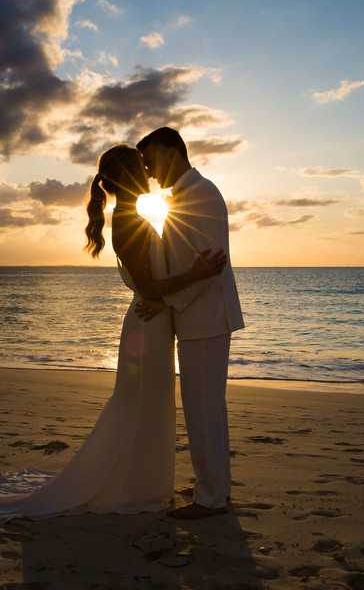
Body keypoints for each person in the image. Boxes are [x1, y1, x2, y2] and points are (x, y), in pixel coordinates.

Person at [0, 144, 226, 526]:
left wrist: (171, 299)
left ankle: (148, 481)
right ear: (127, 178)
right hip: (148, 323)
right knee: (141, 405)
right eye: (142, 168)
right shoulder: (127, 219)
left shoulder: (131, 213)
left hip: (154, 321)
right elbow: (146, 284)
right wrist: (197, 274)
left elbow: (152, 285)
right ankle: (137, 486)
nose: (149, 173)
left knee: (149, 406)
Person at [136, 127, 245, 520]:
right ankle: (214, 483)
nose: (149, 172)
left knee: (202, 408)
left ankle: (211, 497)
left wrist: (164, 300)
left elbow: (209, 268)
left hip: (207, 316)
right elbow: (190, 265)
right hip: (199, 316)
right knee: (207, 407)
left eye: (151, 162)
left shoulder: (202, 193)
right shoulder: (184, 195)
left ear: (171, 153)